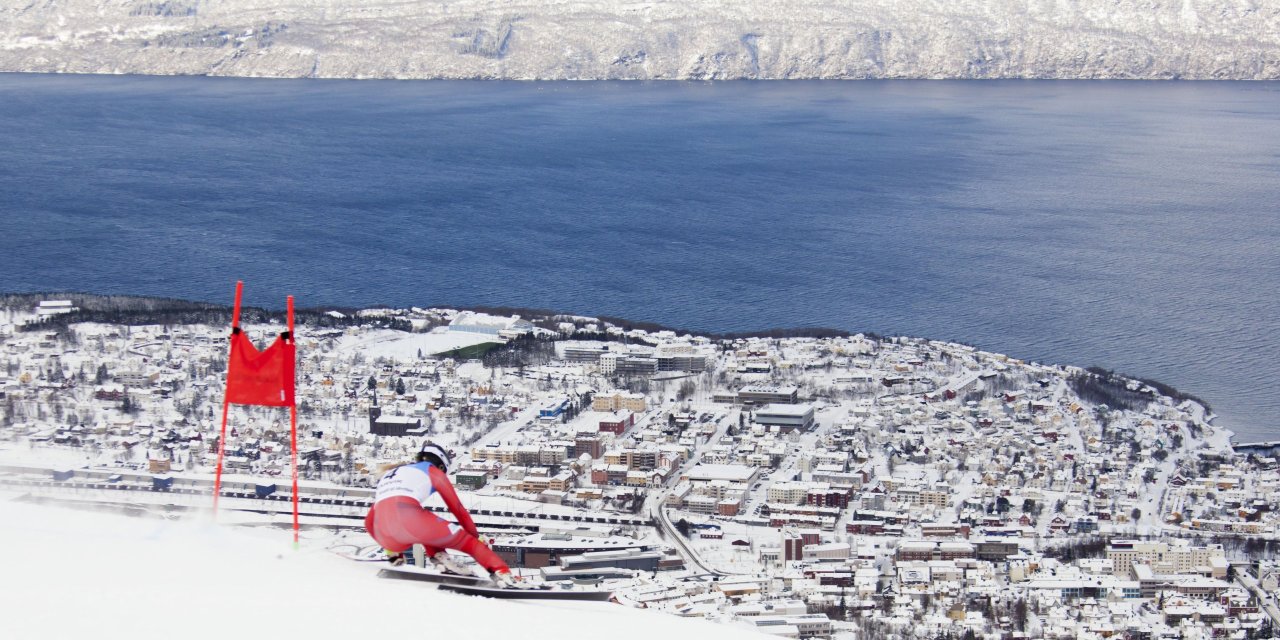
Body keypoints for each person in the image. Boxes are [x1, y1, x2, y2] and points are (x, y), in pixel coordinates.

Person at [365, 441, 515, 586]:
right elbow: (459, 511)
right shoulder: (433, 472)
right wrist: (476, 538)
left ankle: (441, 558)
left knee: (427, 530)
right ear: (441, 465)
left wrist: (392, 549)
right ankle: (503, 573)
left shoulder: (391, 474)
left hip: (385, 533)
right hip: (409, 519)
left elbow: (369, 521)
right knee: (469, 543)